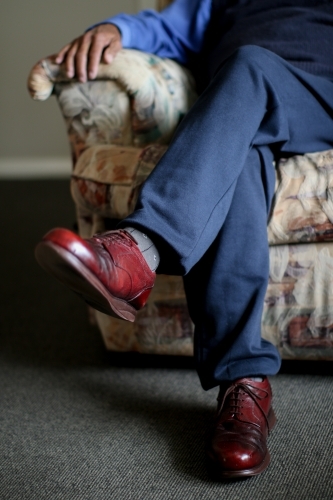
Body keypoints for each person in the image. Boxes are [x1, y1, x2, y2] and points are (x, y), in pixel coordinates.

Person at [34, 0, 333, 479]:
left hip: (320, 96)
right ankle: (244, 385)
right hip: (243, 111)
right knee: (238, 163)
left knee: (250, 63)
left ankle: (138, 251)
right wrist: (113, 28)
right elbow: (166, 27)